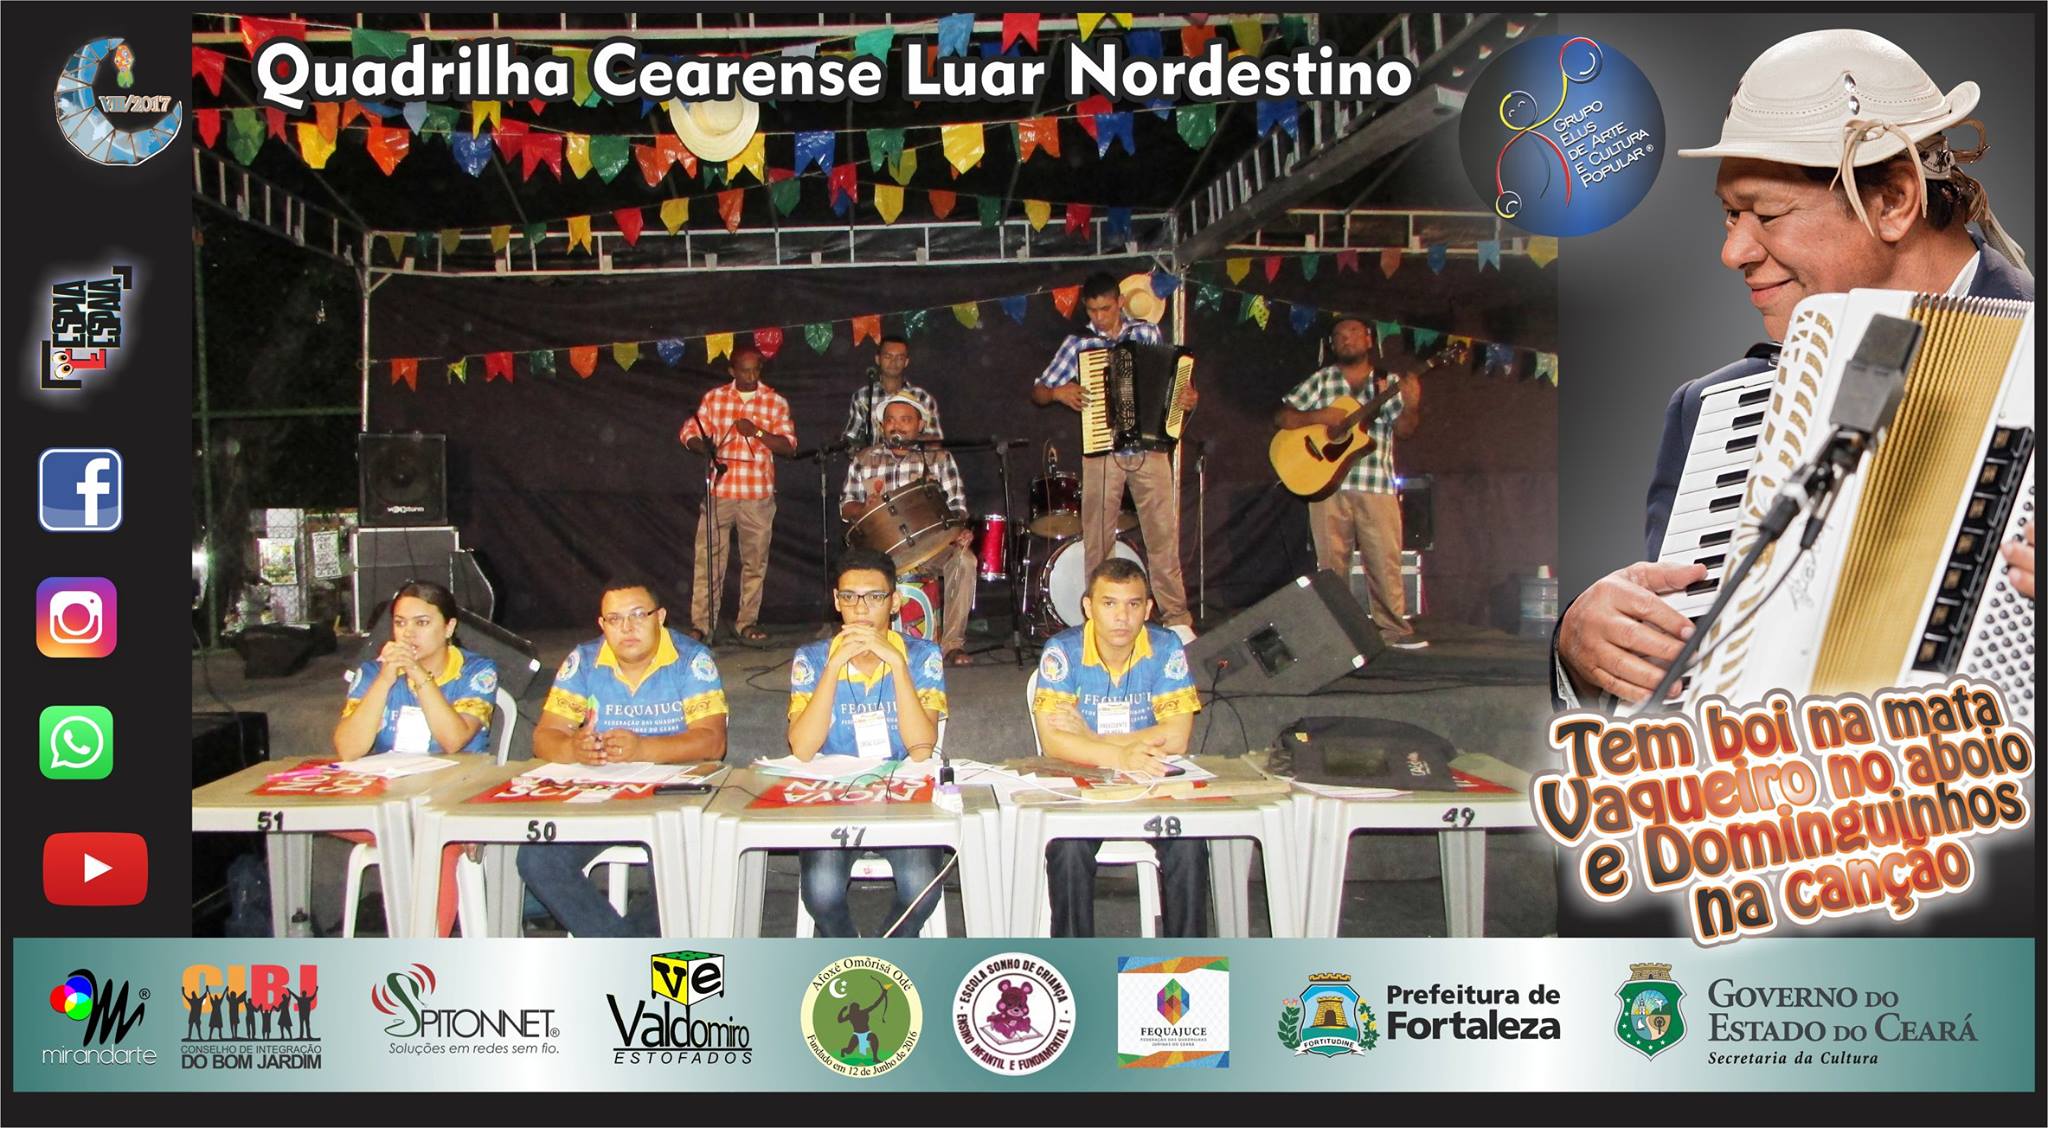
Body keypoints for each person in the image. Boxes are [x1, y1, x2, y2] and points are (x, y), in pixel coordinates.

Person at [1555, 29, 2034, 709]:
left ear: (1895, 200)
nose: (1734, 252)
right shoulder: (1716, 413)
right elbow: (1670, 699)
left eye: (1767, 213)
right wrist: (1586, 652)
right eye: (1731, 214)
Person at [518, 577, 728, 936]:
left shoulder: (691, 660)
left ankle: (617, 953)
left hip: (673, 798)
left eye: (637, 616)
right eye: (614, 620)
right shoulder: (584, 661)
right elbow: (544, 738)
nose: (626, 629)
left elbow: (713, 742)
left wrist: (643, 749)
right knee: (537, 859)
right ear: (602, 624)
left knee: (684, 869)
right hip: (601, 795)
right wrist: (573, 748)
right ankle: (626, 952)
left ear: (660, 617)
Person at [1031, 557, 1207, 936]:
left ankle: (1188, 964)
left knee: (1189, 840)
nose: (1122, 617)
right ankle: (1075, 963)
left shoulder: (1166, 647)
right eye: (1109, 603)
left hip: (1152, 780)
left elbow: (1177, 737)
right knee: (1067, 846)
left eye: (1133, 604)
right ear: (1088, 607)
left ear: (1148, 608)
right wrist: (1120, 755)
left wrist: (1091, 739)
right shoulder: (1062, 651)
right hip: (1085, 781)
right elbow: (1053, 742)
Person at [786, 548, 951, 937]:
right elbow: (803, 749)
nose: (861, 609)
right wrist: (832, 668)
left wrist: (896, 664)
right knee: (821, 889)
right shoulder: (812, 658)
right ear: (836, 601)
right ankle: (851, 952)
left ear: (895, 602)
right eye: (849, 597)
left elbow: (921, 748)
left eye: (874, 597)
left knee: (920, 886)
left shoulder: (922, 655)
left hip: (904, 795)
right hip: (833, 797)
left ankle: (883, 953)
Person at [1032, 271, 1198, 638]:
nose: (1099, 318)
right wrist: (1058, 393)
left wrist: (1186, 397)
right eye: (1092, 311)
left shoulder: (1146, 333)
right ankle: (1098, 621)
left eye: (1105, 309)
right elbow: (1039, 390)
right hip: (1103, 449)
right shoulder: (1078, 343)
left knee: (1162, 536)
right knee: (1098, 540)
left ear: (1120, 303)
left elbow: (1173, 384)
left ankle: (1177, 619)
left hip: (1149, 447)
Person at [330, 580, 497, 936]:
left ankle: (423, 955)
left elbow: (453, 740)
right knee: (310, 812)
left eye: (422, 623)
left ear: (448, 627)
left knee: (436, 838)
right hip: (391, 800)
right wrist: (385, 680)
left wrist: (420, 676)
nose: (408, 634)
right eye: (400, 623)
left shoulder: (477, 671)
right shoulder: (373, 672)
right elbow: (348, 749)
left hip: (455, 797)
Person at [1274, 318, 1429, 648]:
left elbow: (1404, 431)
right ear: (1332, 345)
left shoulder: (1387, 382)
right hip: (1327, 485)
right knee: (1330, 566)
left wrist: (1412, 405)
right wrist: (1321, 417)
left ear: (1369, 340)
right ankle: (1336, 635)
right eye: (1340, 336)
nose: (1347, 340)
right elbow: (1283, 417)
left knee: (1385, 562)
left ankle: (1394, 631)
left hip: (1376, 484)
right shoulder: (1323, 380)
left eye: (1354, 334)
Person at [842, 395, 979, 665]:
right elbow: (846, 507)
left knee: (965, 560)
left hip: (933, 548)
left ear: (920, 425)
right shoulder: (864, 459)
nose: (897, 426)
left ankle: (951, 645)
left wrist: (959, 531)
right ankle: (869, 642)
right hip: (882, 552)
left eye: (905, 420)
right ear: (882, 426)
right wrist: (863, 508)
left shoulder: (938, 458)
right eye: (890, 420)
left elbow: (958, 507)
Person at [680, 345, 798, 643]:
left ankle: (747, 622)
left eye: (756, 369)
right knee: (708, 561)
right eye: (745, 370)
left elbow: (789, 447)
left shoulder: (774, 401)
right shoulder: (715, 398)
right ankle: (703, 625)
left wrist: (756, 432)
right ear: (732, 371)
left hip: (757, 495)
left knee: (754, 564)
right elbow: (688, 433)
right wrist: (705, 448)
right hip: (720, 491)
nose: (751, 376)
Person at [842, 334, 943, 449]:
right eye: (888, 356)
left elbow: (934, 440)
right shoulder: (863, 397)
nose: (893, 362)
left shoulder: (922, 398)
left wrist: (906, 443)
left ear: (906, 362)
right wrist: (858, 450)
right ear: (877, 359)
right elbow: (851, 438)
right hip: (875, 459)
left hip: (913, 459)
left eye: (899, 358)